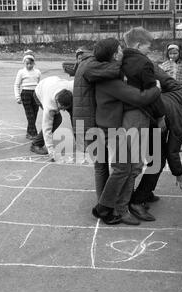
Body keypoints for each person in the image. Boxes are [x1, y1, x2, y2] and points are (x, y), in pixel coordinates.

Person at [89, 38, 161, 226]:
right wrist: (156, 89)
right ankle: (103, 208)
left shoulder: (107, 73)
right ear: (114, 55)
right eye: (120, 50)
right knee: (123, 168)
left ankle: (114, 207)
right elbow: (138, 97)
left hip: (112, 126)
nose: (123, 52)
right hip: (110, 129)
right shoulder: (109, 80)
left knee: (126, 167)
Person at [130, 66, 182, 208]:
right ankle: (137, 201)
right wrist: (179, 174)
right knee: (157, 163)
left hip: (153, 121)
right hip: (149, 123)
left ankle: (145, 192)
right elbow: (173, 152)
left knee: (157, 161)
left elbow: (164, 77)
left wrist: (148, 65)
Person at [72, 46, 121, 203]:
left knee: (102, 164)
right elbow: (114, 71)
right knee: (101, 165)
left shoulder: (86, 64)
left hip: (85, 122)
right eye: (116, 51)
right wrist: (123, 62)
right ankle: (104, 203)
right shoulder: (91, 65)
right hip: (90, 124)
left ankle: (105, 200)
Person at [30, 76, 73, 159]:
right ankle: (35, 144)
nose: (63, 110)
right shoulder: (49, 105)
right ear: (56, 100)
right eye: (61, 107)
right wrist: (51, 151)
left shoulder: (70, 87)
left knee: (72, 113)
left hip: (54, 83)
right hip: (40, 91)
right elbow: (47, 128)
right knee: (56, 120)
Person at [14, 53, 41, 139]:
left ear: (34, 63)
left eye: (31, 63)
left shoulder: (38, 72)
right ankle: (34, 134)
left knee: (34, 114)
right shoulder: (21, 72)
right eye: (27, 63)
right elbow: (16, 85)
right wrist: (17, 97)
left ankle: (29, 133)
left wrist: (41, 97)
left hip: (36, 94)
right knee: (30, 115)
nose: (29, 65)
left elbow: (39, 85)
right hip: (26, 94)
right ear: (24, 63)